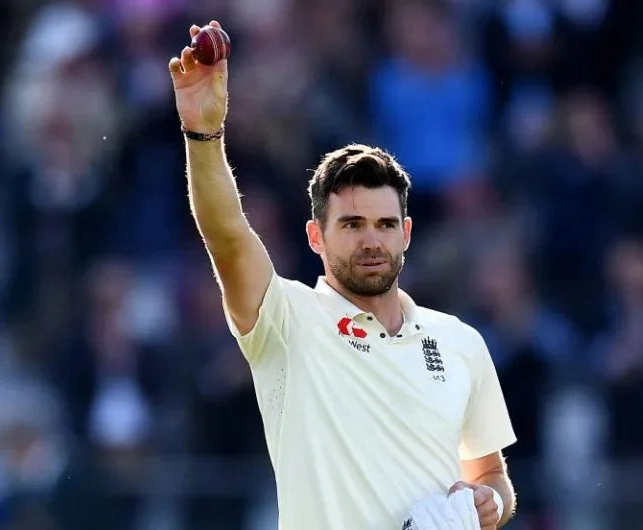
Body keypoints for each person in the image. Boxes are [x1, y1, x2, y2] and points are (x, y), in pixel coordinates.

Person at [168, 21, 517, 530]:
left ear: (407, 233)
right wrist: (203, 134)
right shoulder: (287, 323)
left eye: (384, 224)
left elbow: (491, 475)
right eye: (352, 225)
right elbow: (226, 233)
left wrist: (489, 503)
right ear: (316, 237)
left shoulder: (460, 341)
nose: (372, 240)